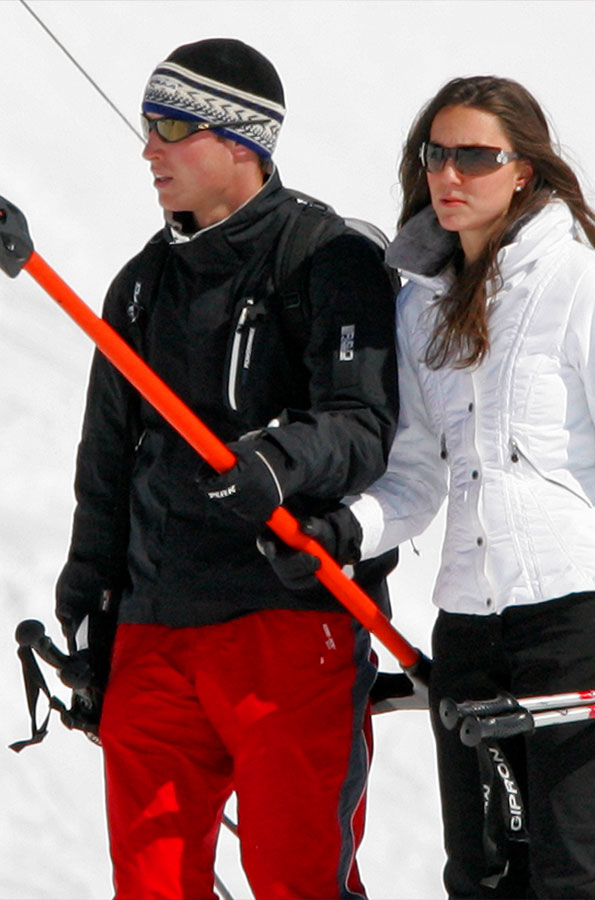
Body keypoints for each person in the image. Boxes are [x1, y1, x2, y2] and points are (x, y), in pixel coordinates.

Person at [263, 76, 595, 898]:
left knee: (570, 881)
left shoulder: (586, 286)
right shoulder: (418, 308)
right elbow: (416, 475)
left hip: (577, 619)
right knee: (482, 878)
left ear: (524, 170)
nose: (448, 175)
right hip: (469, 623)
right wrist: (343, 532)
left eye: (475, 157)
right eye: (437, 155)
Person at [55, 38, 399, 900]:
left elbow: (362, 425)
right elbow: (105, 466)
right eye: (147, 125)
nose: (149, 148)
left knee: (297, 879)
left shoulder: (326, 258)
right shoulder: (142, 286)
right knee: (151, 884)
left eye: (172, 127)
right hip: (157, 628)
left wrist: (273, 464)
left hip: (288, 621)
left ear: (243, 140)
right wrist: (90, 611)